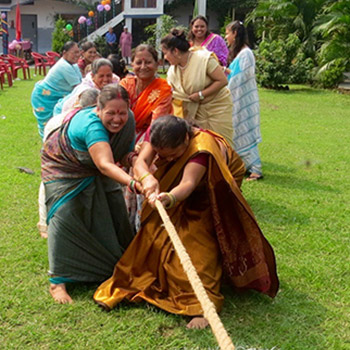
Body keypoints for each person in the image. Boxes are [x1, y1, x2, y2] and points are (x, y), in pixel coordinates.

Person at [94, 116, 279, 329]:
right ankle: (155, 281)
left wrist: (169, 198)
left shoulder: (201, 149)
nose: (169, 160)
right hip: (175, 193)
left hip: (209, 192)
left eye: (174, 155)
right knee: (154, 233)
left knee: (197, 244)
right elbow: (141, 162)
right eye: (163, 156)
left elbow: (188, 184)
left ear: (185, 140)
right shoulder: (159, 134)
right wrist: (148, 179)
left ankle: (201, 306)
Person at [41, 84, 140, 304]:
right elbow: (105, 165)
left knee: (114, 205)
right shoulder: (91, 125)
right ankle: (58, 282)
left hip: (95, 165)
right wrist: (134, 183)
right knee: (65, 214)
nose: (117, 119)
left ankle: (119, 262)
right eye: (110, 113)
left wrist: (137, 162)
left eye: (122, 112)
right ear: (98, 109)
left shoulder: (128, 121)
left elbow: (123, 154)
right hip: (64, 167)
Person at [119, 44, 173, 231]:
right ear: (131, 63)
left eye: (148, 62)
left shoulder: (163, 88)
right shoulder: (125, 84)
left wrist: (140, 147)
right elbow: (116, 113)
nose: (143, 66)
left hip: (151, 140)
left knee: (145, 174)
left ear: (157, 63)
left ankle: (142, 229)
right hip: (123, 136)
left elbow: (156, 124)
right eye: (138, 62)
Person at [37, 88, 99, 239]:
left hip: (52, 165)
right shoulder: (87, 120)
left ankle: (45, 224)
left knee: (48, 187)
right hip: (65, 165)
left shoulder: (56, 119)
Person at [161, 28, 234, 147]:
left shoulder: (203, 59)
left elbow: (222, 80)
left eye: (165, 53)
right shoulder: (173, 70)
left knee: (220, 146)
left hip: (217, 109)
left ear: (175, 51)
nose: (164, 57)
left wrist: (201, 94)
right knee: (200, 147)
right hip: (194, 113)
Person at [225, 21, 263, 181]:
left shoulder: (246, 54)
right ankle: (242, 165)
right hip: (236, 98)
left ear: (235, 33)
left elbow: (242, 77)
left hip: (243, 98)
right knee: (237, 129)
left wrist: (227, 80)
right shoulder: (241, 53)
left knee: (244, 128)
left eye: (227, 33)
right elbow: (234, 73)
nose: (226, 37)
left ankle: (256, 168)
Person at [31, 41, 82, 138]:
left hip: (55, 96)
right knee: (48, 125)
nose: (77, 55)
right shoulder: (64, 66)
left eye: (78, 52)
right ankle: (48, 146)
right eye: (74, 52)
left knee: (56, 124)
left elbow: (81, 82)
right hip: (44, 97)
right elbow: (78, 87)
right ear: (64, 53)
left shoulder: (74, 65)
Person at [53, 58, 119, 117]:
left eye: (108, 75)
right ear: (93, 76)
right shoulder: (86, 91)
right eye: (101, 76)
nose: (105, 79)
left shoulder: (115, 84)